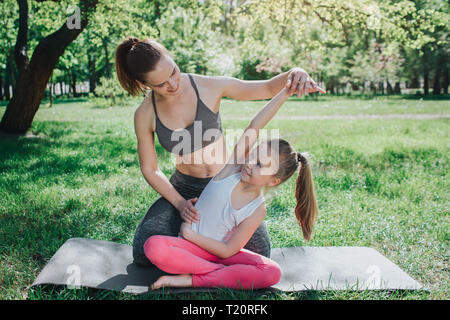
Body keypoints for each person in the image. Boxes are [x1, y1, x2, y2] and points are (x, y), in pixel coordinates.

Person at [115, 37, 323, 267]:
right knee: (143, 253)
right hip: (183, 190)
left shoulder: (207, 86)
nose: (173, 84)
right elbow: (150, 169)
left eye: (174, 72)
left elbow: (265, 88)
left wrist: (294, 73)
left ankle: (193, 250)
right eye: (160, 84)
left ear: (172, 59)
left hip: (228, 182)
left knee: (261, 252)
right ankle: (195, 244)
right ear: (144, 84)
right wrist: (180, 204)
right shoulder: (144, 114)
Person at [144, 85, 322, 290]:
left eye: (259, 165)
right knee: (153, 247)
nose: (249, 163)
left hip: (216, 252)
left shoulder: (257, 209)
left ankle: (193, 277)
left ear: (273, 181)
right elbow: (255, 126)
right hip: (188, 250)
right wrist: (285, 93)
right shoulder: (232, 170)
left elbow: (228, 250)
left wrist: (192, 235)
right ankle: (219, 275)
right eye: (253, 155)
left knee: (273, 272)